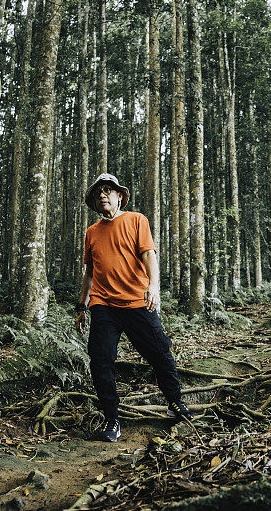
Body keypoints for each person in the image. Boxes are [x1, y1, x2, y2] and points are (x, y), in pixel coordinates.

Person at [75, 173, 192, 442]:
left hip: (137, 301)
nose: (102, 195)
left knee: (160, 352)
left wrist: (154, 287)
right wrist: (81, 306)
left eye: (107, 190)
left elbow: (149, 255)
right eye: (97, 193)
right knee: (101, 360)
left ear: (120, 196)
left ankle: (175, 402)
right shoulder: (91, 232)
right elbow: (89, 272)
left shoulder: (137, 220)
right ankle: (112, 419)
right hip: (103, 305)